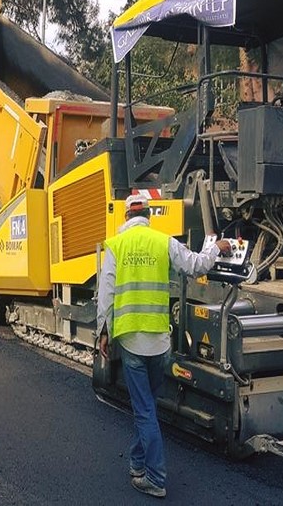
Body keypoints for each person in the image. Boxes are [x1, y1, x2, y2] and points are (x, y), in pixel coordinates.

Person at [96, 195, 230, 498]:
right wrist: (214, 248)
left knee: (144, 411)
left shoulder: (116, 246)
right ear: (148, 217)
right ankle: (137, 462)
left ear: (126, 217)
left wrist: (103, 331)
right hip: (158, 341)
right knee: (148, 408)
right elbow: (196, 266)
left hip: (131, 339)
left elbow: (106, 292)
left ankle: (154, 478)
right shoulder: (163, 241)